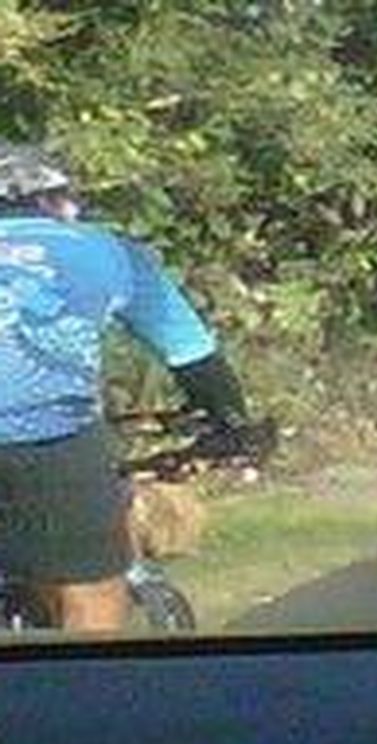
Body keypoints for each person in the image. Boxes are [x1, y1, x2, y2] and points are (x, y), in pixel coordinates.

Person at [0, 142, 255, 632]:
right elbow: (191, 354)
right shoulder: (106, 248)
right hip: (51, 436)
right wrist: (232, 421)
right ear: (52, 201)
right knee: (91, 588)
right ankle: (89, 695)